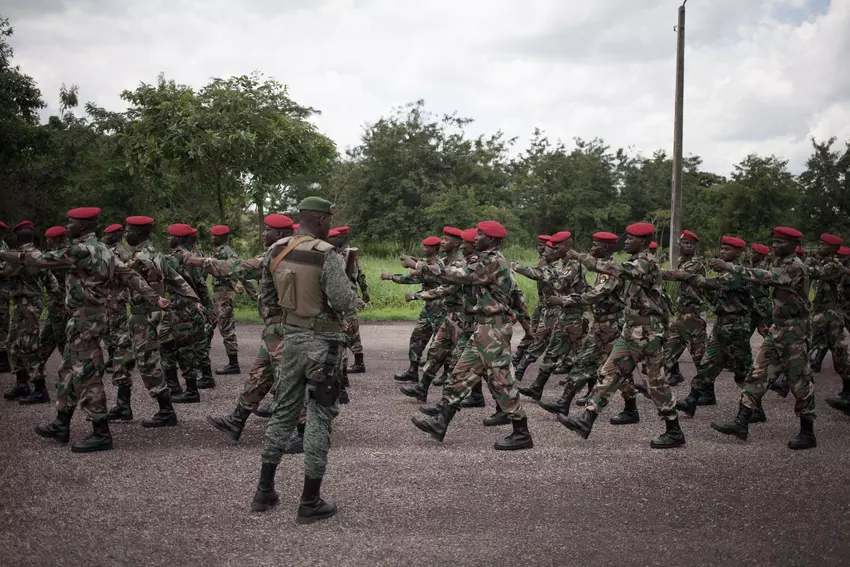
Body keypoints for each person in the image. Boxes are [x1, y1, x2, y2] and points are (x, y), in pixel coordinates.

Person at [0, 207, 171, 452]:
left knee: (87, 375)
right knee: (68, 370)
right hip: (91, 318)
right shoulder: (103, 249)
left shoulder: (81, 250)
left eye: (70, 223)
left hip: (85, 320)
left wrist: (6, 255)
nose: (67, 227)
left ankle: (101, 432)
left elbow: (38, 260)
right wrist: (155, 297)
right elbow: (129, 273)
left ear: (81, 227)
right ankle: (61, 423)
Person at [250, 197, 357, 523]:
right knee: (319, 418)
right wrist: (354, 294)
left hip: (291, 341)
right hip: (323, 346)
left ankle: (264, 490)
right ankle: (310, 501)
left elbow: (266, 300)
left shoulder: (276, 249)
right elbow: (343, 301)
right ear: (323, 220)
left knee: (283, 412)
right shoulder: (327, 256)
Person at [558, 222, 685, 449]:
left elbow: (613, 269)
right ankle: (586, 420)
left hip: (647, 333)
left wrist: (578, 256)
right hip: (631, 330)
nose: (625, 242)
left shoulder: (646, 262)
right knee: (608, 373)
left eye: (630, 239)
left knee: (655, 383)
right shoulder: (637, 261)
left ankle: (674, 431)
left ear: (643, 242)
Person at [410, 221, 533, 451]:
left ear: (493, 240)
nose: (476, 237)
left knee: (502, 380)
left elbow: (462, 276)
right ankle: (440, 422)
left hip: (494, 329)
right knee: (461, 372)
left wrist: (421, 266)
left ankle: (522, 432)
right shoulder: (488, 259)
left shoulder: (492, 260)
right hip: (484, 327)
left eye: (481, 235)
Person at [186, 214, 294, 441]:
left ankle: (304, 433)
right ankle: (237, 420)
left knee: (289, 379)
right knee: (259, 374)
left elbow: (243, 268)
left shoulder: (282, 253)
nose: (264, 234)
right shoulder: (280, 251)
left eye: (268, 230)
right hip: (274, 328)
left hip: (284, 327)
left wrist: (204, 263)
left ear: (281, 234)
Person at [710, 226, 817, 450]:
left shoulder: (796, 267)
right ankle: (742, 422)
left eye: (780, 242)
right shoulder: (781, 263)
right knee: (756, 374)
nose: (775, 246)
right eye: (774, 241)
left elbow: (767, 278)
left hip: (795, 332)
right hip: (778, 330)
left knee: (800, 382)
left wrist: (731, 267)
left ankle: (808, 433)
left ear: (792, 245)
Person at [538, 232, 627, 420]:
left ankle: (631, 407)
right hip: (601, 324)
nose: (591, 247)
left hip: (611, 325)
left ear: (605, 247)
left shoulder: (610, 270)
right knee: (584, 362)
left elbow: (595, 295)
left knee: (616, 369)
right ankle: (563, 403)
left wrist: (562, 300)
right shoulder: (603, 269)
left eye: (595, 245)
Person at [669, 236, 754, 418]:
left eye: (727, 249)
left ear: (738, 253)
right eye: (722, 249)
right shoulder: (725, 273)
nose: (722, 252)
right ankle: (692, 400)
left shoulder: (739, 273)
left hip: (737, 328)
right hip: (722, 326)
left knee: (743, 371)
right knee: (707, 364)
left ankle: (755, 409)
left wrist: (684, 276)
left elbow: (709, 284)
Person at [518, 231, 589, 402]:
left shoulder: (573, 265)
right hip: (564, 315)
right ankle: (537, 388)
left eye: (556, 247)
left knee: (584, 356)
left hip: (576, 316)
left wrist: (517, 267)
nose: (553, 250)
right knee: (552, 352)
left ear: (567, 246)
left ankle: (590, 394)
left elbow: (557, 282)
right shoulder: (561, 264)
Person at [398, 227, 465, 400]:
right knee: (436, 351)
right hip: (450, 314)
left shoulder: (460, 263)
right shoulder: (445, 260)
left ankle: (475, 395)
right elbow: (433, 269)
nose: (442, 242)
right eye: (442, 239)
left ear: (457, 243)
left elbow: (446, 287)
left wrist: (417, 295)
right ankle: (422, 388)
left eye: (446, 239)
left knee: (464, 356)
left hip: (461, 315)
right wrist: (415, 264)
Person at [1, 221, 59, 405]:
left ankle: (40, 389)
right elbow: (52, 280)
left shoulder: (24, 257)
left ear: (18, 238)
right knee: (13, 343)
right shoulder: (38, 254)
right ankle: (22, 383)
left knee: (29, 345)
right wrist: (53, 300)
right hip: (24, 305)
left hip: (28, 305)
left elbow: (4, 272)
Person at [383, 237, 446, 383]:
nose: (424, 249)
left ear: (435, 248)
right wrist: (391, 277)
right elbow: (412, 279)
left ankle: (445, 375)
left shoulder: (439, 264)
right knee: (417, 337)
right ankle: (412, 371)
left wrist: (415, 264)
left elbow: (435, 272)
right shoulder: (426, 264)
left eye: (427, 247)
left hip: (441, 309)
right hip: (428, 309)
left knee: (440, 344)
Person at [662, 230, 707, 387]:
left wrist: (654, 272)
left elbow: (679, 275)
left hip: (694, 316)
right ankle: (674, 374)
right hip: (681, 315)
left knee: (699, 356)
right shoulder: (681, 261)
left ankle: (707, 391)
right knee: (668, 348)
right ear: (679, 244)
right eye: (686, 243)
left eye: (691, 244)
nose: (688, 246)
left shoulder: (695, 264)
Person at [511, 242, 560, 382]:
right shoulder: (548, 266)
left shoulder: (556, 269)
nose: (543, 254)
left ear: (555, 254)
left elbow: (533, 273)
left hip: (558, 311)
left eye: (547, 251)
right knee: (541, 339)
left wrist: (511, 264)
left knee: (559, 344)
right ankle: (521, 370)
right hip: (549, 310)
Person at [210, 224, 253, 375]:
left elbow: (231, 272)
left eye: (214, 236)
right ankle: (201, 361)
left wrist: (234, 285)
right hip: (221, 293)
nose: (212, 238)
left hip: (223, 294)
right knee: (210, 325)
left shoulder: (223, 252)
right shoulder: (224, 251)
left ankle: (233, 364)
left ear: (221, 238)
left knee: (226, 328)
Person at [34, 226, 70, 395]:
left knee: (65, 346)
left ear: (56, 240)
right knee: (45, 343)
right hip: (55, 308)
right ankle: (37, 381)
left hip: (62, 308)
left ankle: (72, 383)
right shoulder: (63, 253)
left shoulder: (61, 256)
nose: (47, 241)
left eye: (49, 239)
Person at [328, 226, 369, 374]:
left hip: (346, 295)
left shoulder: (344, 255)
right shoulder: (347, 254)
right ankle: (357, 363)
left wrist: (361, 294)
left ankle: (347, 367)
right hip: (349, 295)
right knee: (351, 331)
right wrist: (363, 292)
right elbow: (360, 275)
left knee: (346, 330)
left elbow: (350, 277)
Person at [512, 234, 551, 366]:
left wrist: (514, 266)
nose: (540, 248)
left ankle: (523, 362)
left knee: (543, 334)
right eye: (539, 245)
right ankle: (518, 357)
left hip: (551, 306)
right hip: (542, 302)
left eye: (542, 246)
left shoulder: (553, 263)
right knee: (532, 330)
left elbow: (535, 274)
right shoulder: (543, 260)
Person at [101, 224, 131, 378]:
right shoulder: (106, 249)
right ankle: (113, 356)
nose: (105, 237)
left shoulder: (122, 251)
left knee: (119, 328)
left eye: (107, 235)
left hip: (117, 295)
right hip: (107, 294)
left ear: (115, 235)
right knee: (107, 328)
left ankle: (123, 360)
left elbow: (128, 273)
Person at [0, 221, 10, 374]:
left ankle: (3, 360)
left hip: (1, 292)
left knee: (1, 324)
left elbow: (4, 269)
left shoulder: (3, 248)